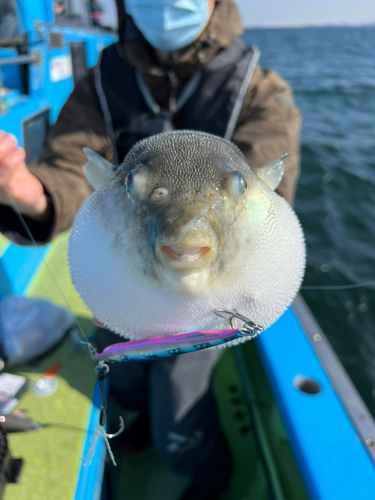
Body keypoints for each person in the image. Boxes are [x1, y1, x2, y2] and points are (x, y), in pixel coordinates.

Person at [0, 1, 301, 498]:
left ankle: (207, 470)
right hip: (128, 271)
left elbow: (269, 193)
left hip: (210, 296)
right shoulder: (105, 79)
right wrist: (27, 191)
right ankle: (139, 426)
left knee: (178, 417)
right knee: (124, 381)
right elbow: (74, 170)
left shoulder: (259, 88)